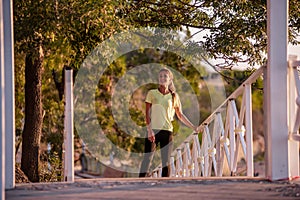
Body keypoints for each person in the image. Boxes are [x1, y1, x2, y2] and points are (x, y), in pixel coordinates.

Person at [139, 67, 200, 177]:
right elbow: (147, 114)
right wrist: (149, 130)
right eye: (160, 76)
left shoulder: (174, 96)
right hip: (153, 130)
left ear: (170, 79)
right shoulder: (152, 93)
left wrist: (193, 126)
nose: (162, 78)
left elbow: (180, 115)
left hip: (167, 132)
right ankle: (139, 184)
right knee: (147, 159)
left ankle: (164, 187)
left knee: (165, 163)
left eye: (165, 76)